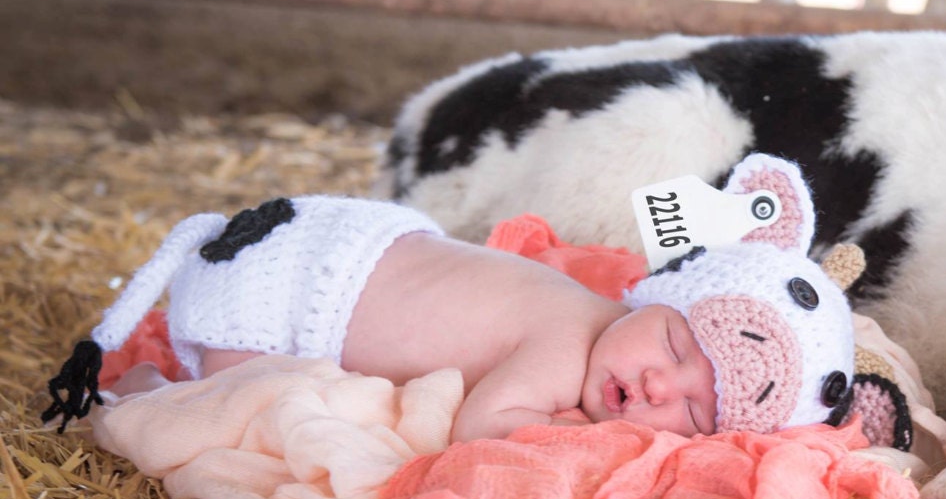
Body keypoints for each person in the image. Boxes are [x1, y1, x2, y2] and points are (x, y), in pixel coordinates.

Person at [43, 159, 858, 443]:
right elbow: (482, 426)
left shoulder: (593, 322)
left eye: (694, 412)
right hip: (287, 287)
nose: (657, 386)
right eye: (676, 350)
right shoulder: (567, 340)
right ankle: (145, 394)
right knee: (244, 413)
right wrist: (575, 433)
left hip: (342, 242)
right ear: (657, 297)